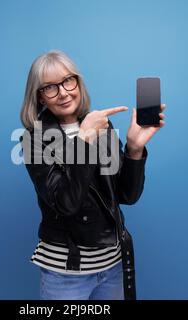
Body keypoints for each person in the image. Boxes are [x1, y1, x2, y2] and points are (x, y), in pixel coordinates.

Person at [19, 50, 165, 300]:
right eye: (50, 87)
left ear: (78, 83)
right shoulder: (34, 140)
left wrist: (134, 148)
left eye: (68, 81)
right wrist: (84, 141)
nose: (63, 92)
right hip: (65, 274)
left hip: (112, 267)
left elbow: (125, 195)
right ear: (41, 98)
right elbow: (67, 202)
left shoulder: (101, 124)